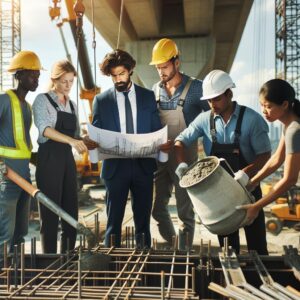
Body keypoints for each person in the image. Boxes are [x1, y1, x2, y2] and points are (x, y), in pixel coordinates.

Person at [174, 70, 271, 255]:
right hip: (218, 196)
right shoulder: (204, 120)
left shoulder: (252, 120)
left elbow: (265, 154)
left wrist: (247, 173)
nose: (212, 104)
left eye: (216, 99)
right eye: (209, 100)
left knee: (258, 248)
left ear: (229, 94)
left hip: (249, 187)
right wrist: (182, 164)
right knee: (228, 251)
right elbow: (180, 141)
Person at [92, 49, 167, 248]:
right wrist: (91, 140)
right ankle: (112, 268)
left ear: (130, 70)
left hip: (143, 166)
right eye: (114, 76)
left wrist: (162, 144)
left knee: (143, 223)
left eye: (122, 74)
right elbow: (96, 133)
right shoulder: (101, 101)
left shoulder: (147, 97)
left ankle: (143, 265)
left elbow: (156, 128)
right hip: (115, 168)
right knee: (113, 223)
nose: (118, 79)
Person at [149, 38, 210, 249]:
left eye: (164, 67)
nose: (161, 72)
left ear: (177, 62)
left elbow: (212, 118)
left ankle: (183, 253)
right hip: (160, 157)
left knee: (185, 210)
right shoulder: (155, 89)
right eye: (158, 68)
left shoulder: (197, 89)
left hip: (185, 158)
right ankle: (175, 242)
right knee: (157, 209)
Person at [32, 60, 97, 254]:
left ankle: (68, 257)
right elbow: (45, 130)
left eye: (71, 81)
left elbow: (75, 135)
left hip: (67, 161)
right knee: (51, 213)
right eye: (64, 81)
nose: (69, 86)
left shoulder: (73, 105)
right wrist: (70, 140)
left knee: (70, 209)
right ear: (54, 79)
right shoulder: (42, 100)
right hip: (49, 158)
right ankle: (49, 261)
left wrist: (83, 139)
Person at [238, 79, 300, 225]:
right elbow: (277, 158)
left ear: (285, 105)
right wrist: (252, 182)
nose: (264, 111)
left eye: (268, 106)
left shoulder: (294, 130)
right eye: (262, 106)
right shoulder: (290, 125)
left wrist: (256, 206)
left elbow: (290, 179)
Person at [0, 51, 42, 257]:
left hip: (24, 174)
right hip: (6, 175)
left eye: (38, 75)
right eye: (32, 75)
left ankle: (14, 274)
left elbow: (23, 144)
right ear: (19, 76)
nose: (36, 80)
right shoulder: (4, 100)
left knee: (20, 232)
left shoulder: (28, 107)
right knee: (4, 232)